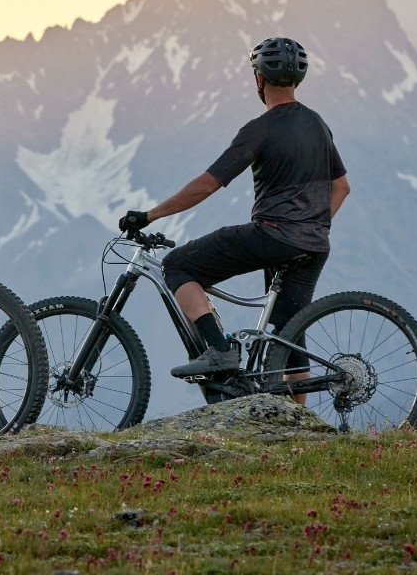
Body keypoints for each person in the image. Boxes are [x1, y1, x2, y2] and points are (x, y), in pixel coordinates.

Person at [117, 36, 350, 390]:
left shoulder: (260, 129)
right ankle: (302, 424)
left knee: (178, 265)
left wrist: (150, 215)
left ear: (259, 79)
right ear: (298, 79)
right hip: (315, 243)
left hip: (272, 234)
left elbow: (207, 184)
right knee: (289, 330)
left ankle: (219, 349)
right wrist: (313, 226)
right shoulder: (318, 124)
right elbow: (341, 186)